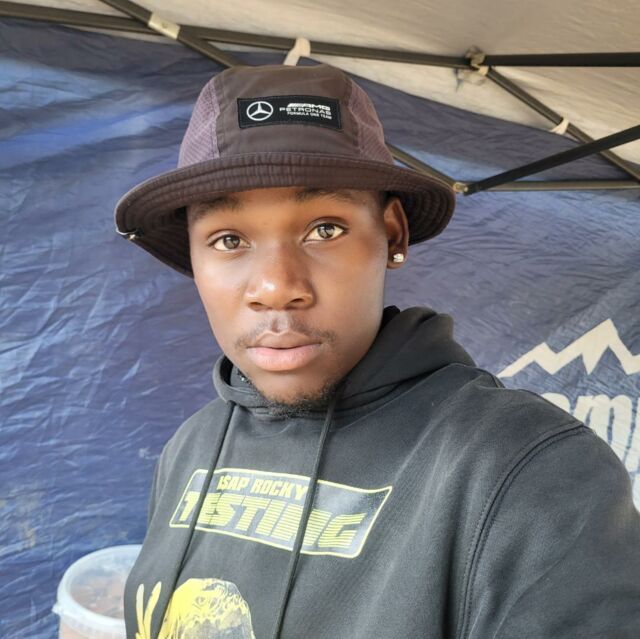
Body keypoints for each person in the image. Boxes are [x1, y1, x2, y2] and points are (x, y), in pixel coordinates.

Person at [114, 63, 640, 639]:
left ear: (392, 234)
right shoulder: (190, 448)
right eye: (229, 239)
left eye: (325, 229)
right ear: (193, 259)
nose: (277, 286)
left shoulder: (527, 470)